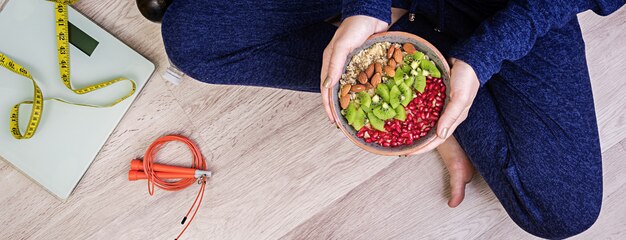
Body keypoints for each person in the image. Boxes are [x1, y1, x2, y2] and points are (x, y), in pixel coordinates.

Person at [159, 0, 624, 238]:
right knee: (194, 36)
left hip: (515, 8)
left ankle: (422, 53)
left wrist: (482, 58)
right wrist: (366, 5)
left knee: (563, 211)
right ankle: (405, 46)